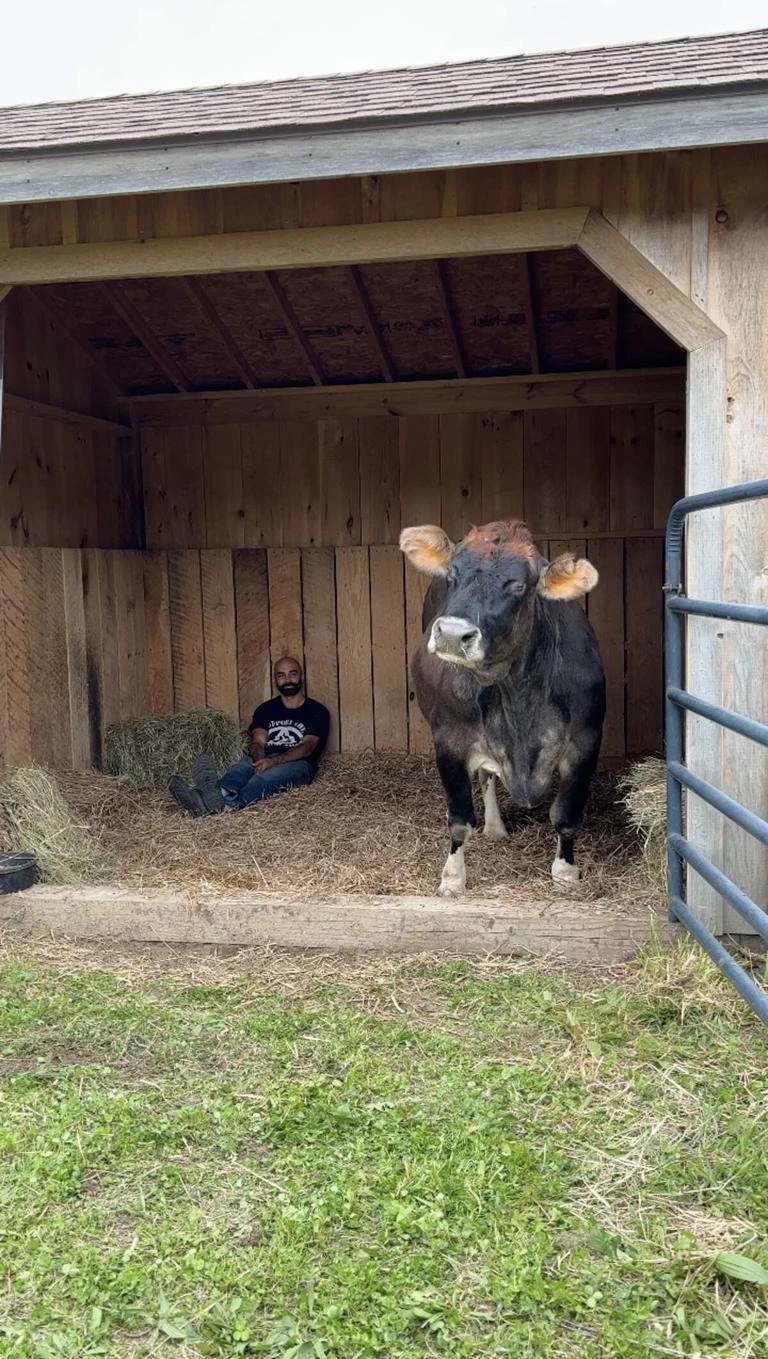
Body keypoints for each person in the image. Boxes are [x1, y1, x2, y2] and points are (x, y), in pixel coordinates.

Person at [168, 657, 330, 817]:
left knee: (262, 780)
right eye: (281, 675)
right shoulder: (266, 709)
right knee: (238, 771)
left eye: (293, 674)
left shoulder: (316, 711)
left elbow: (307, 747)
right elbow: (258, 741)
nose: (287, 679)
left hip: (297, 764)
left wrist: (273, 762)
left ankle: (218, 805)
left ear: (301, 677)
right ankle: (215, 795)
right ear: (275, 680)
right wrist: (259, 761)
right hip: (264, 757)